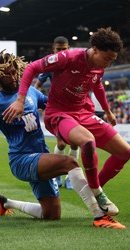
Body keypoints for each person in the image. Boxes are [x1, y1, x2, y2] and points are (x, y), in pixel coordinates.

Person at [0, 51, 125, 229]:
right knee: (70, 162)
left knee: (51, 214)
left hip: (41, 156)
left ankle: (6, 203)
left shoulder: (31, 92)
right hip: (21, 160)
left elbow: (57, 108)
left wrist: (87, 111)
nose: (12, 77)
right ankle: (100, 215)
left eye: (13, 72)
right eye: (6, 75)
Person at [3, 27, 130, 214]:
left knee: (125, 152)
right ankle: (98, 193)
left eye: (112, 60)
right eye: (107, 58)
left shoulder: (99, 67)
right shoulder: (68, 57)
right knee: (87, 142)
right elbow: (32, 68)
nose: (108, 64)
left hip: (83, 112)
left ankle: (92, 187)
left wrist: (107, 111)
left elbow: (97, 87)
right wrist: (20, 99)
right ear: (95, 49)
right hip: (59, 113)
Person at [34, 36, 79, 189]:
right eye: (58, 50)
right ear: (53, 50)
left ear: (69, 48)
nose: (61, 52)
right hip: (58, 108)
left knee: (75, 144)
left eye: (64, 49)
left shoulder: (76, 62)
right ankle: (57, 175)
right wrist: (33, 101)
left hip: (74, 107)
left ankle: (71, 178)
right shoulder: (50, 65)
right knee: (61, 143)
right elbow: (37, 85)